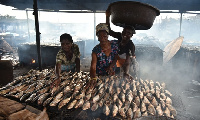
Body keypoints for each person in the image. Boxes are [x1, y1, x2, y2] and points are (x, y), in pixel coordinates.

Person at [106, 10, 138, 79]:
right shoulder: (119, 36)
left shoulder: (131, 45)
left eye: (128, 33)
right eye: (124, 31)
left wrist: (126, 72)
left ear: (131, 35)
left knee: (126, 76)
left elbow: (128, 61)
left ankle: (133, 75)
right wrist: (107, 16)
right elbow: (109, 30)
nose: (125, 34)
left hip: (128, 63)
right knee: (116, 76)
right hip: (118, 60)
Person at [86, 23, 119, 89]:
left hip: (112, 74)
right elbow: (93, 66)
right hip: (100, 76)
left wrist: (111, 66)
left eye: (105, 36)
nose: (102, 39)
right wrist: (93, 78)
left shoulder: (114, 44)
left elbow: (116, 57)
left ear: (108, 36)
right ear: (97, 38)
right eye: (100, 37)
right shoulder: (96, 50)